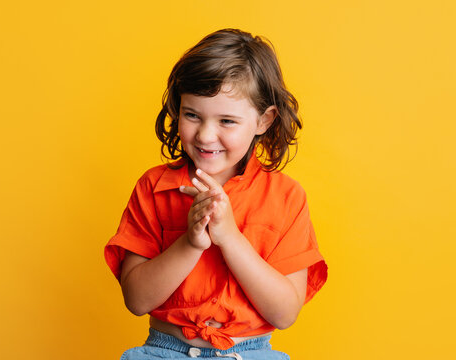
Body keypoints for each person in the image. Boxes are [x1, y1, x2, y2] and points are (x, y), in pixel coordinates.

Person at [104, 28, 328, 360]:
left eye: (226, 120)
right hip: (164, 351)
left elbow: (284, 314)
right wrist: (191, 241)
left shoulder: (286, 197)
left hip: (252, 353)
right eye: (192, 115)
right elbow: (137, 301)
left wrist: (230, 237)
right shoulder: (153, 188)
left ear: (263, 121)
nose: (206, 135)